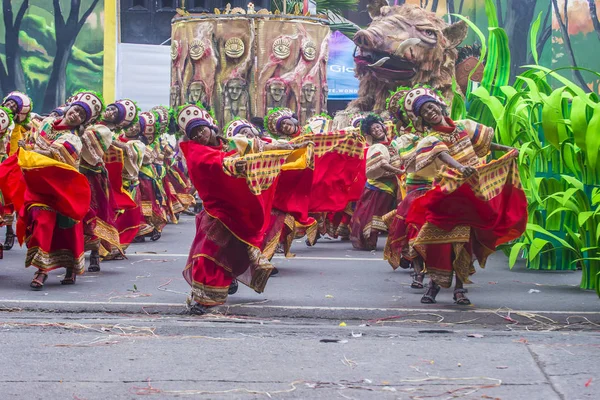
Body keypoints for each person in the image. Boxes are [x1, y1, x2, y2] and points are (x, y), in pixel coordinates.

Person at [397, 85, 526, 305]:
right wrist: (460, 168)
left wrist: (506, 149)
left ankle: (459, 289)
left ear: (439, 106)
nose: (430, 112)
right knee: (438, 241)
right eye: (425, 112)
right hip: (449, 193)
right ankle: (433, 286)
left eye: (431, 107)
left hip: (472, 191)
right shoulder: (430, 139)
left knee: (464, 242)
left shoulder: (464, 126)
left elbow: (483, 145)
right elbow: (444, 155)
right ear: (424, 120)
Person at [178, 104, 277, 314]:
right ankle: (203, 300)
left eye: (201, 130)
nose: (199, 136)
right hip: (217, 211)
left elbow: (259, 149)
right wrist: (234, 164)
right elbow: (214, 163)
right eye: (194, 134)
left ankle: (228, 277)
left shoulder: (232, 142)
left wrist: (287, 147)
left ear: (210, 126)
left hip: (238, 207)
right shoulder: (196, 152)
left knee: (232, 249)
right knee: (207, 252)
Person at [21, 90, 102, 290]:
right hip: (38, 184)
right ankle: (43, 268)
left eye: (81, 116)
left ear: (81, 123)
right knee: (41, 221)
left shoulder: (73, 138)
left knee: (66, 228)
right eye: (75, 110)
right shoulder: (47, 123)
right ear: (69, 108)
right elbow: (31, 136)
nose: (75, 115)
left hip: (62, 187)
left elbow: (52, 155)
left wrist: (29, 150)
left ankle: (57, 270)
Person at [349, 114, 403, 250]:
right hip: (377, 186)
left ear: (383, 127)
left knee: (384, 213)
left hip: (393, 185)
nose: (377, 130)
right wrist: (399, 171)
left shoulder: (394, 143)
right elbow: (382, 163)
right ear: (371, 134)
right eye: (373, 130)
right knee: (371, 214)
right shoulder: (376, 147)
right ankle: (367, 240)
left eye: (378, 127)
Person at [1, 91, 33, 250]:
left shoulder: (20, 125)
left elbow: (31, 130)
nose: (10, 106)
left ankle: (9, 232)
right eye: (10, 103)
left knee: (8, 198)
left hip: (11, 163)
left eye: (14, 105)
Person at [137, 111, 167, 241]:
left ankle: (154, 227)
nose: (134, 128)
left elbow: (154, 157)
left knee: (148, 202)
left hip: (146, 174)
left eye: (138, 126)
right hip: (133, 176)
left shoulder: (152, 143)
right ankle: (141, 230)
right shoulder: (124, 139)